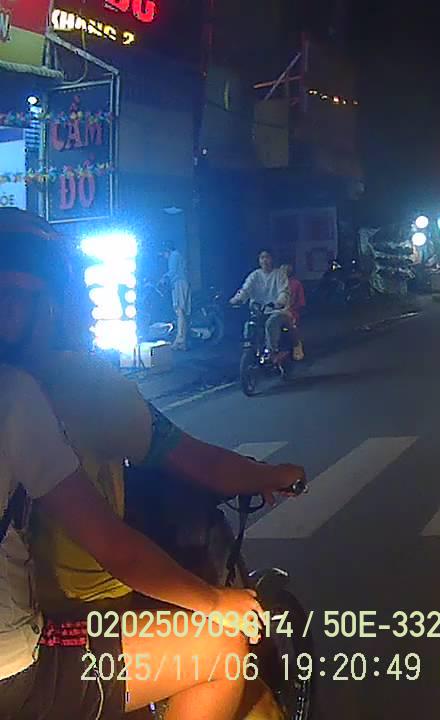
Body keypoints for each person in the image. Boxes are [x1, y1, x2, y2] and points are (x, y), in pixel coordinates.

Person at [0, 209, 296, 720]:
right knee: (224, 649)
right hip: (76, 615)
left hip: (42, 613)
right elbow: (195, 465)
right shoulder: (59, 387)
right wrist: (271, 477)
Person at [229, 250, 291, 362]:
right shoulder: (255, 275)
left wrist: (279, 302)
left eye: (267, 257)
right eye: (262, 258)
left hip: (276, 311)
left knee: (271, 323)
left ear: (272, 259)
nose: (265, 260)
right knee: (249, 325)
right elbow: (245, 289)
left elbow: (284, 291)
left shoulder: (279, 275)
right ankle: (249, 348)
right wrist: (237, 299)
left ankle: (272, 352)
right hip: (258, 311)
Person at [161, 242, 190, 350]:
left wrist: (164, 278)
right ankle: (182, 341)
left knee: (180, 311)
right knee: (182, 313)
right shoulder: (179, 255)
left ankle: (180, 340)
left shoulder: (173, 256)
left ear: (167, 250)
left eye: (164, 254)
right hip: (183, 283)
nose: (164, 257)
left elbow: (172, 272)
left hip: (179, 284)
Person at [280, 263, 306, 362]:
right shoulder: (276, 283)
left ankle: (297, 346)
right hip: (276, 311)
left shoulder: (296, 284)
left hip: (291, 312)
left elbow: (300, 301)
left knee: (293, 328)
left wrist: (293, 309)